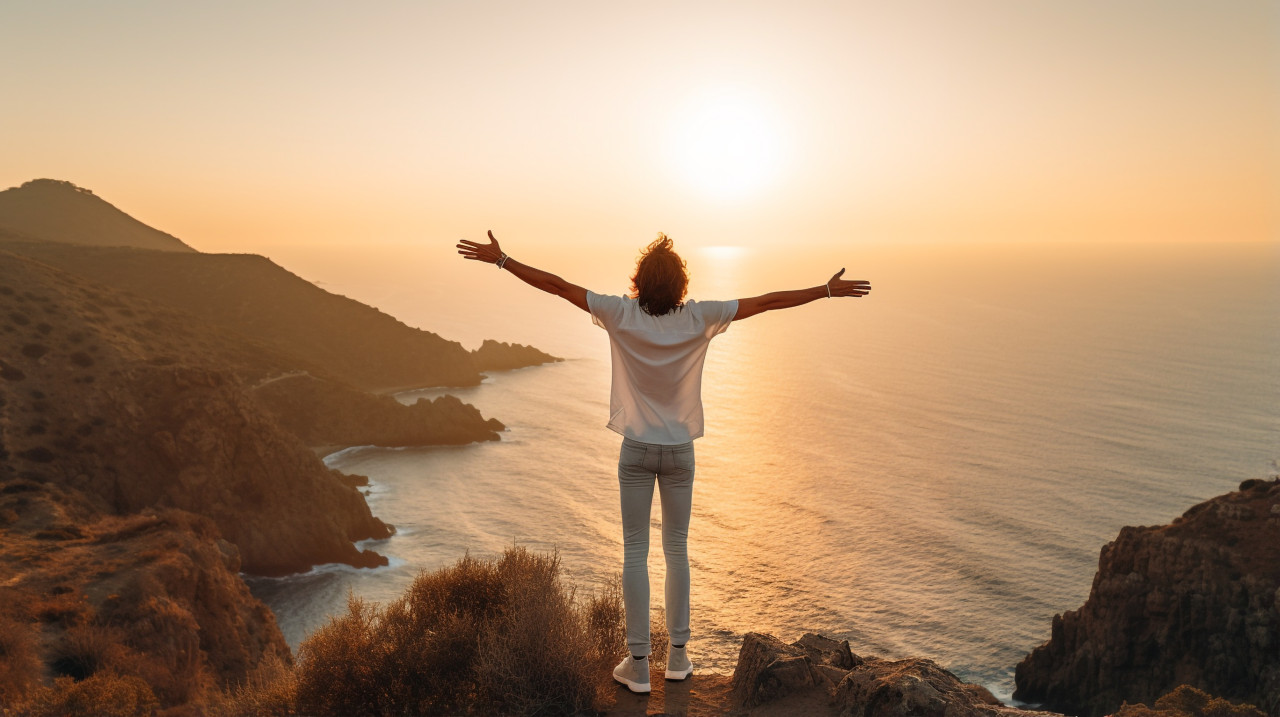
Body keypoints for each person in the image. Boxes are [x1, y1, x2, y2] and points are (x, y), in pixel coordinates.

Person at [456, 231, 870, 694]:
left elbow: (557, 286)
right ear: (680, 285)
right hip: (679, 452)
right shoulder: (699, 317)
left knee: (636, 550)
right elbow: (767, 302)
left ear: (639, 281)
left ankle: (638, 666)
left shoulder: (620, 313)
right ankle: (677, 657)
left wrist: (503, 260)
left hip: (635, 450)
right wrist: (825, 290)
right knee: (677, 550)